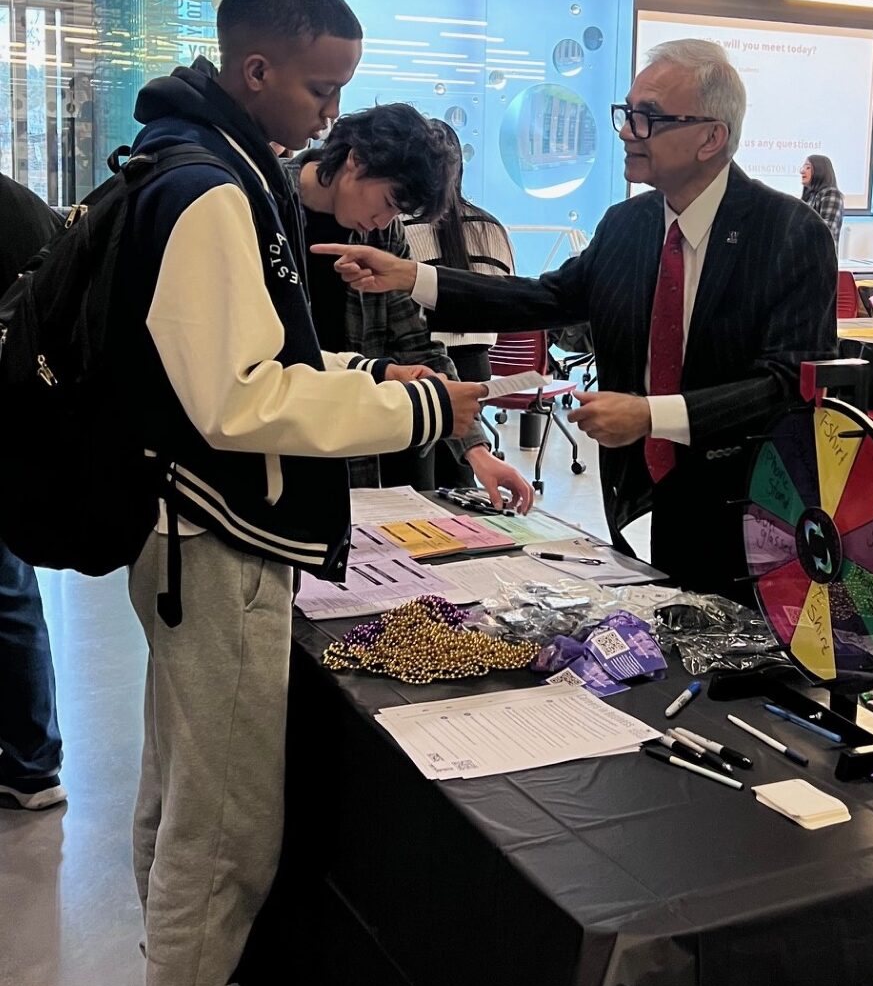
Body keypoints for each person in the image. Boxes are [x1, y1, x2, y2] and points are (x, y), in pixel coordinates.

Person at [115, 0, 486, 986]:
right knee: (225, 822)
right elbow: (239, 400)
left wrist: (373, 379)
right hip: (211, 534)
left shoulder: (211, 164)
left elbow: (267, 358)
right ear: (258, 66)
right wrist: (417, 416)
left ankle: (172, 979)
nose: (332, 116)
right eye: (323, 92)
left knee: (182, 784)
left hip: (194, 526)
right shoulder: (206, 188)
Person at [315, 39, 838, 598]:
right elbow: (547, 298)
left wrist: (650, 416)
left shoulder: (787, 234)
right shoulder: (627, 225)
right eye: (627, 112)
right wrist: (410, 276)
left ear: (712, 137)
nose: (627, 131)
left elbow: (788, 384)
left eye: (649, 118)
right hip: (639, 498)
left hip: (752, 505)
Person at [289, 106, 532, 509]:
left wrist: (477, 451)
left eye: (397, 213)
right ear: (356, 159)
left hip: (349, 446)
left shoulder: (385, 237)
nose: (385, 222)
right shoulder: (263, 200)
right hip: (271, 444)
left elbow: (416, 342)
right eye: (388, 202)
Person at [0, 175, 66, 811]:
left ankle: (28, 760)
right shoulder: (25, 207)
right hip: (22, 430)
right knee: (10, 595)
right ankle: (31, 761)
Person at [405, 120, 517, 489]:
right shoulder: (491, 226)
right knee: (463, 481)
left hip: (417, 369)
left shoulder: (397, 227)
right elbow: (507, 301)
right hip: (476, 365)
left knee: (416, 483)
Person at [801, 154, 844, 246]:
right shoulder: (809, 197)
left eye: (808, 167)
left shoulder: (831, 194)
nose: (802, 171)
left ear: (820, 171)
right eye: (803, 167)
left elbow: (826, 231)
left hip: (819, 258)